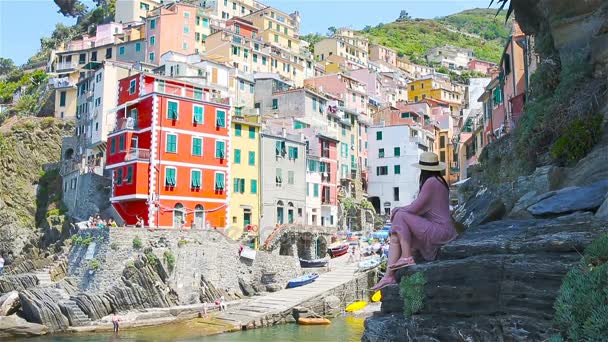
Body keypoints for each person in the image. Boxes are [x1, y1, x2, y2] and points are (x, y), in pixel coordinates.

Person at [372, 152, 457, 291]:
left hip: (441, 231)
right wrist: (399, 210)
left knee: (400, 215)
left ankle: (406, 257)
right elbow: (419, 209)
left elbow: (415, 208)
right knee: (395, 236)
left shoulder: (431, 182)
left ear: (423, 169)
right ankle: (389, 276)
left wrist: (397, 210)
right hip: (442, 230)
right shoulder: (439, 181)